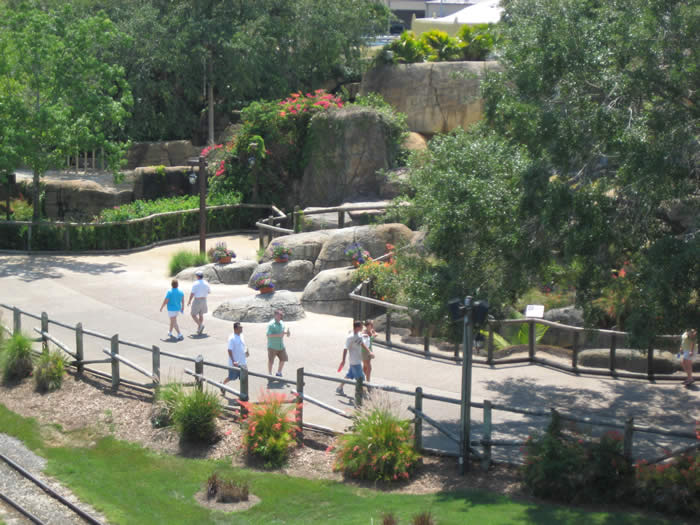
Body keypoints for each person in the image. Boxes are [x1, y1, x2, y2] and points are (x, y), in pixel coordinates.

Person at [336, 320, 374, 395]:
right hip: (355, 362)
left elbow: (361, 343)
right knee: (361, 379)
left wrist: (369, 351)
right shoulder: (350, 337)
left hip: (357, 360)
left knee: (349, 375)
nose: (362, 327)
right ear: (357, 327)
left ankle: (339, 388)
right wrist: (343, 361)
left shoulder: (359, 334)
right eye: (361, 326)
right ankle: (361, 395)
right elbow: (345, 348)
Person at [222, 322, 248, 394]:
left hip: (243, 362)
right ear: (235, 329)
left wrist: (246, 351)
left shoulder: (241, 335)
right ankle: (222, 384)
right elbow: (229, 350)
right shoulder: (232, 338)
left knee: (243, 379)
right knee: (232, 377)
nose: (242, 328)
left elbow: (243, 345)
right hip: (235, 363)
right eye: (240, 327)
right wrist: (233, 361)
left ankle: (243, 394)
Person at [267, 309, 290, 377]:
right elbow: (268, 335)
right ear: (275, 315)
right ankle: (270, 374)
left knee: (284, 359)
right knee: (271, 361)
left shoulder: (282, 323)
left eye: (281, 314)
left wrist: (287, 333)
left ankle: (279, 373)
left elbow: (283, 332)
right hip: (272, 346)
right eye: (280, 314)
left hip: (281, 346)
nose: (281, 316)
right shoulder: (271, 324)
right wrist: (279, 335)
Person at [187, 270, 210, 335]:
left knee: (193, 314)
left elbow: (192, 293)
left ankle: (200, 325)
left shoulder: (196, 283)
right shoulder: (206, 283)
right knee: (201, 314)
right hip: (204, 300)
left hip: (197, 300)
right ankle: (199, 328)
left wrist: (189, 301)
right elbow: (209, 291)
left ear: (197, 276)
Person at [362, 319, 377, 384]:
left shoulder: (371, 331)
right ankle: (368, 383)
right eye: (371, 324)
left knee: (365, 367)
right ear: (367, 325)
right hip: (364, 351)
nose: (373, 325)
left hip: (369, 350)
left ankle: (360, 381)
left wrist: (373, 335)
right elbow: (363, 344)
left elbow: (375, 334)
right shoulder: (364, 333)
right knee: (369, 367)